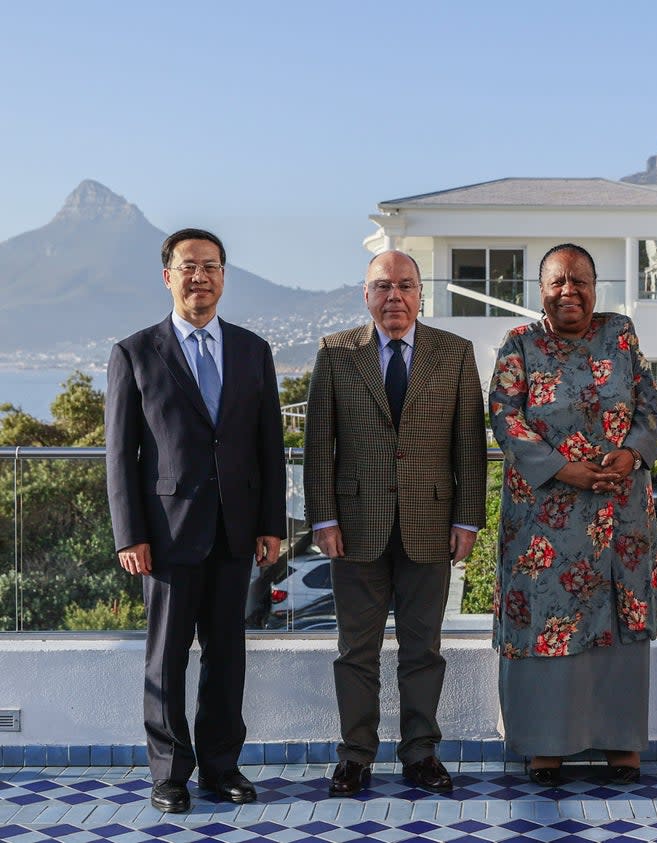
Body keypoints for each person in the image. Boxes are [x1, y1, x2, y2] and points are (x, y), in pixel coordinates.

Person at [105, 228, 286, 813]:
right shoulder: (134, 352)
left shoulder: (253, 350)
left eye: (210, 266)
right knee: (166, 657)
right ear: (168, 277)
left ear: (224, 276)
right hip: (164, 535)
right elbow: (119, 454)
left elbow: (269, 447)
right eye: (188, 267)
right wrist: (129, 533)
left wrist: (271, 524)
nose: (199, 276)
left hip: (236, 531)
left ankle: (221, 768)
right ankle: (169, 773)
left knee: (226, 656)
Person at [304, 251, 486, 796]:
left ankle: (420, 753)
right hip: (355, 526)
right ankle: (355, 755)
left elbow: (469, 447)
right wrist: (324, 517)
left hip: (431, 524)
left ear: (420, 293)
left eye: (405, 286)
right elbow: (318, 445)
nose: (394, 297)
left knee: (423, 649)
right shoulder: (336, 353)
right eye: (382, 286)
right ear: (366, 295)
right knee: (355, 650)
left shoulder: (453, 354)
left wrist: (468, 520)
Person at [489, 243, 657, 787]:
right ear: (540, 290)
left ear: (596, 286)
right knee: (547, 624)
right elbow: (504, 417)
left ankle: (620, 743)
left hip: (619, 513)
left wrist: (632, 453)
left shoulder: (622, 334)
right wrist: (566, 469)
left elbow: (648, 403)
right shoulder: (519, 343)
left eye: (581, 280)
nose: (570, 291)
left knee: (618, 625)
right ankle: (547, 745)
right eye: (558, 281)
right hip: (544, 519)